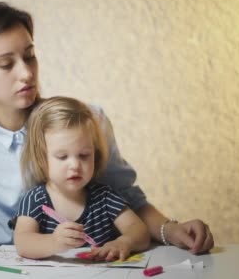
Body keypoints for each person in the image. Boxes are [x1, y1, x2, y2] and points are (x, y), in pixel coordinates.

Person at [0, 2, 214, 253]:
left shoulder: (87, 121)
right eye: (7, 64)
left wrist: (171, 231)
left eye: (30, 56)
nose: (26, 73)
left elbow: (128, 198)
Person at [13, 96, 150, 261]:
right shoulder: (35, 200)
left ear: (95, 154)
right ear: (41, 158)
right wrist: (53, 242)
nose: (75, 165)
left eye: (84, 155)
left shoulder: (104, 197)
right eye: (62, 157)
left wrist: (124, 242)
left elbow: (139, 230)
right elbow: (22, 242)